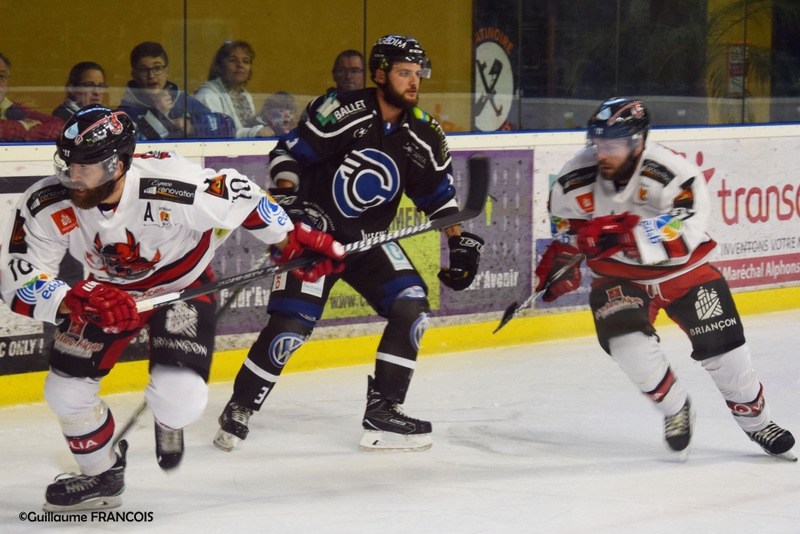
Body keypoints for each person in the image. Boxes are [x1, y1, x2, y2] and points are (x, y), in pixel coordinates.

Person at [0, 104, 345, 512]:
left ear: (119, 164)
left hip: (181, 285)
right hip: (106, 296)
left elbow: (242, 195)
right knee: (65, 393)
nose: (71, 177)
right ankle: (101, 474)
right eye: (67, 163)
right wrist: (71, 299)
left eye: (85, 168)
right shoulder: (47, 202)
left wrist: (289, 239)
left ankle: (168, 421)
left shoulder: (170, 184)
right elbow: (18, 276)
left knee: (180, 398)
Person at [214, 35, 485, 453]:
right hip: (315, 239)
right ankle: (240, 406)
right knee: (291, 326)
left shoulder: (426, 134)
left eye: (417, 74)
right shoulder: (341, 110)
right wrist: (289, 205)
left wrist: (458, 239)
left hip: (368, 242)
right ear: (380, 74)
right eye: (403, 73)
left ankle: (384, 410)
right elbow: (288, 155)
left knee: (411, 305)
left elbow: (438, 198)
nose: (413, 83)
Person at [537, 97, 795, 461]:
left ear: (637, 142)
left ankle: (758, 424)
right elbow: (567, 231)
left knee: (729, 359)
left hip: (685, 274)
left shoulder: (671, 170)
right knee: (628, 347)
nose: (602, 153)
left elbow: (686, 225)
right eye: (597, 144)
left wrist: (626, 234)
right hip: (618, 279)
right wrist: (562, 261)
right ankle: (676, 409)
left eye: (611, 145)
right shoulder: (572, 177)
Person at [118, 41, 234, 140]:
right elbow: (136, 145)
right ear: (134, 74)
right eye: (144, 70)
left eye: (157, 68)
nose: (151, 75)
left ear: (166, 72)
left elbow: (228, 126)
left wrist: (192, 126)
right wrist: (158, 114)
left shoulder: (183, 101)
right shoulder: (126, 111)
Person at [194, 40, 274, 138]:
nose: (240, 65)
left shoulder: (245, 95)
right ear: (219, 66)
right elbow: (216, 132)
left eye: (246, 61)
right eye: (232, 60)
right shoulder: (207, 95)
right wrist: (252, 132)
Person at [0, 52, 64, 142]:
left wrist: (24, 133)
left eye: (1, 76)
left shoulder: (14, 108)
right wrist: (24, 126)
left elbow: (59, 127)